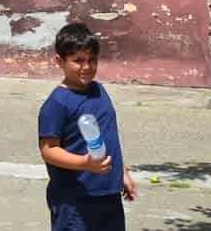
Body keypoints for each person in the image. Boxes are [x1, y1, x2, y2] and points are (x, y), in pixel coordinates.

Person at [37, 22, 137, 230]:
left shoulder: (99, 91)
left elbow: (108, 136)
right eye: (78, 61)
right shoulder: (57, 103)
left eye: (92, 60)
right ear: (59, 61)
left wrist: (122, 172)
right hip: (75, 199)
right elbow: (49, 150)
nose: (87, 67)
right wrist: (85, 163)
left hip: (108, 194)